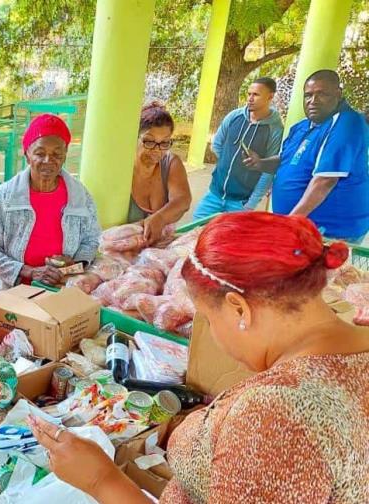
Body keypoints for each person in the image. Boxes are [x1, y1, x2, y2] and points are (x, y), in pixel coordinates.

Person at [32, 211, 369, 503]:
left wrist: (100, 480)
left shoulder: (275, 417)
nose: (208, 331)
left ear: (239, 308)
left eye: (206, 317)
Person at [248, 70, 369, 243]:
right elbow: (286, 162)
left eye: (322, 94)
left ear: (338, 93)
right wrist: (260, 163)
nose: (313, 101)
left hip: (330, 233)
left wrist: (289, 223)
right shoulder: (301, 127)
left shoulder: (347, 123)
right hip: (301, 227)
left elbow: (325, 181)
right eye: (308, 95)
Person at [0, 113, 101, 289]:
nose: (48, 160)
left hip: (63, 289)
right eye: (40, 153)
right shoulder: (4, 196)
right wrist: (29, 272)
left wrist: (75, 265)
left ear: (65, 155)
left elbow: (92, 240)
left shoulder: (81, 196)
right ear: (27, 154)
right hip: (15, 293)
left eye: (56, 154)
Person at [193, 77, 282, 219]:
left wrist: (250, 205)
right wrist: (226, 164)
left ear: (270, 96)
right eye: (249, 94)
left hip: (240, 203)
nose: (250, 98)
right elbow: (217, 144)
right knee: (193, 232)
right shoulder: (234, 116)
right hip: (214, 194)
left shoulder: (274, 129)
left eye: (256, 95)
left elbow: (268, 170)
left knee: (228, 240)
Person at [128, 102, 192, 244]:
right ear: (134, 138)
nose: (157, 150)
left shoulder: (170, 163)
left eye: (165, 143)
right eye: (149, 141)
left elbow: (183, 200)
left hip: (160, 251)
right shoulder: (123, 169)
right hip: (124, 249)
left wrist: (160, 218)